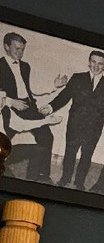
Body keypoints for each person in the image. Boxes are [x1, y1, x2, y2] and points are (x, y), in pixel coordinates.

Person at [42, 50, 104, 190]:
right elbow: (64, 96)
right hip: (75, 124)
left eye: (100, 64)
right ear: (89, 62)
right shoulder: (77, 78)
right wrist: (50, 107)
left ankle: (79, 183)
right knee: (70, 153)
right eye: (93, 62)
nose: (96, 66)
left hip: (94, 127)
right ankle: (65, 179)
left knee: (87, 155)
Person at [0, 31, 60, 182]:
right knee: (3, 141)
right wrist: (11, 101)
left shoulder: (26, 66)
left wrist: (53, 86)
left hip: (29, 106)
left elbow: (31, 88)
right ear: (6, 46)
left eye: (22, 49)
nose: (20, 53)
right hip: (8, 109)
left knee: (47, 136)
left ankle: (43, 176)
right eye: (17, 49)